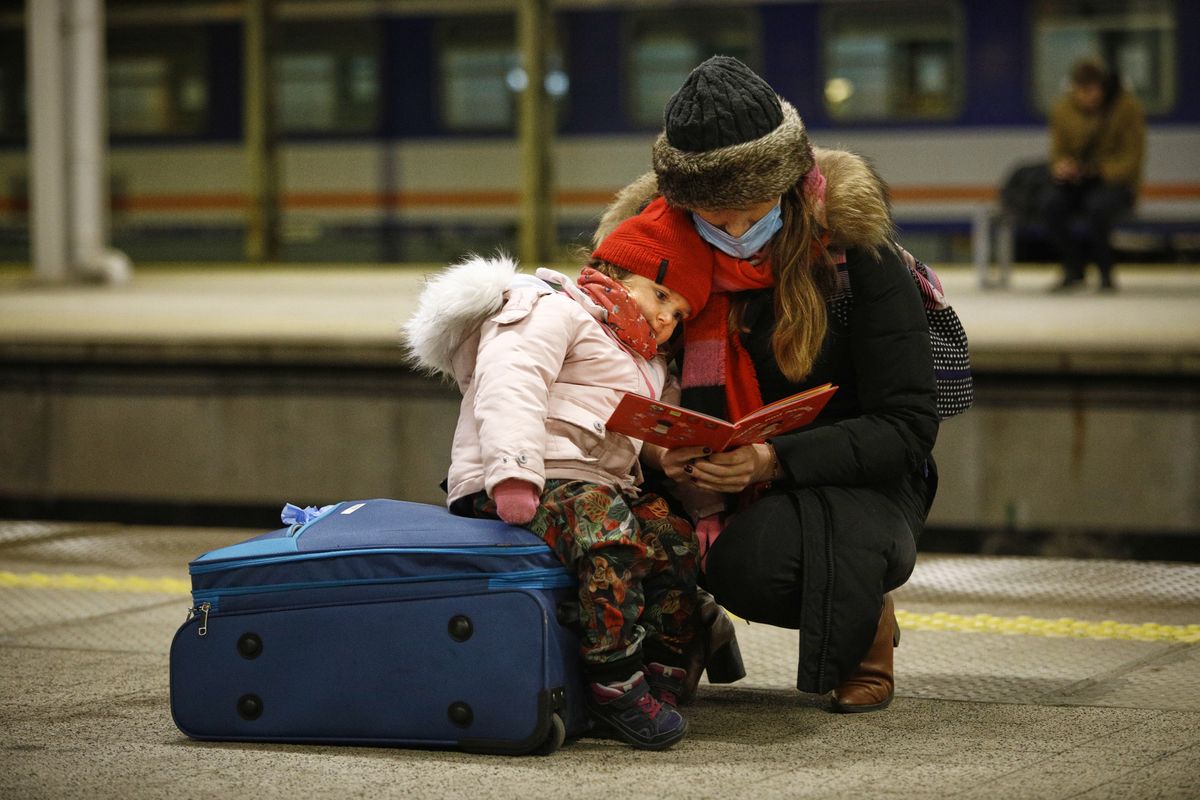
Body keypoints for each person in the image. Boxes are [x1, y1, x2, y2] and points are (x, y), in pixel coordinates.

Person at [595, 55, 941, 713]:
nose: (730, 234)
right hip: (707, 486)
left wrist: (772, 459)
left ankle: (868, 624)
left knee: (762, 566)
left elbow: (907, 425)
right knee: (619, 526)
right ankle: (680, 630)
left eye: (748, 213)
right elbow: (604, 387)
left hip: (858, 479)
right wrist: (664, 451)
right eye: (709, 216)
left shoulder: (857, 258)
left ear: (785, 188)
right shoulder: (646, 265)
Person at [404, 201, 727, 750]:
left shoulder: (647, 360)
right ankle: (616, 685)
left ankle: (665, 668)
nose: (667, 319)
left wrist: (674, 466)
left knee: (669, 535)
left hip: (597, 484)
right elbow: (511, 381)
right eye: (662, 295)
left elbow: (643, 429)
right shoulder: (551, 308)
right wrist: (514, 474)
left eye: (681, 313)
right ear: (615, 274)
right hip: (523, 478)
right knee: (609, 534)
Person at [1042, 57, 1146, 291]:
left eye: (1090, 90)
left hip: (1116, 183)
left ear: (1103, 87)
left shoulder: (1126, 108)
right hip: (1078, 183)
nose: (1085, 97)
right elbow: (1057, 152)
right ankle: (1073, 267)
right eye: (1080, 90)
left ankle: (1105, 271)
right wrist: (1062, 166)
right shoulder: (1062, 110)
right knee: (1050, 204)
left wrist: (1099, 171)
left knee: (1097, 207)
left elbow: (1133, 158)